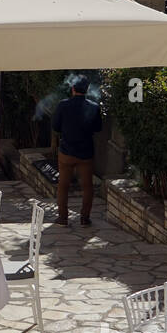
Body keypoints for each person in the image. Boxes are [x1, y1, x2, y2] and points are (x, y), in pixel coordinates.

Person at [52, 75, 102, 227]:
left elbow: (55, 126)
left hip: (66, 151)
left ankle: (62, 217)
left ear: (72, 88)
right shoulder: (93, 107)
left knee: (63, 185)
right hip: (86, 152)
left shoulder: (63, 105)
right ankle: (84, 218)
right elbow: (98, 128)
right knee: (87, 187)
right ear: (87, 89)